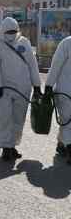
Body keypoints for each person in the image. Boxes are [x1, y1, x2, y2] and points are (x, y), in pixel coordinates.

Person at [0, 17, 41, 161]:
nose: (11, 34)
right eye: (8, 31)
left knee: (18, 119)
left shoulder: (24, 43)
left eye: (13, 31)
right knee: (5, 118)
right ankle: (5, 147)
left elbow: (32, 65)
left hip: (23, 89)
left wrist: (36, 86)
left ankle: (12, 145)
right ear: (3, 31)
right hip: (3, 90)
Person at [45, 36, 71, 164]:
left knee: (66, 120)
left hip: (65, 91)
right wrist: (49, 85)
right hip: (65, 91)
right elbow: (56, 66)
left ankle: (62, 144)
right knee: (67, 121)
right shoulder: (67, 43)